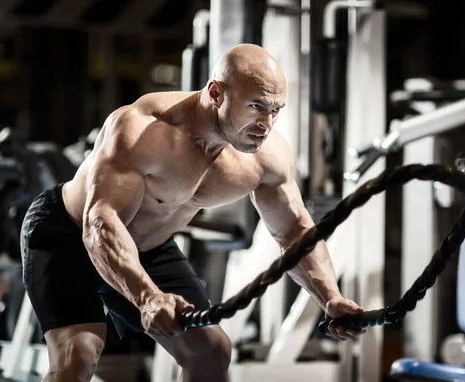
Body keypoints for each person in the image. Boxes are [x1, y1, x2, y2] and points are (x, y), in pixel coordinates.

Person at [20, 43, 366, 382]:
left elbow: (294, 231)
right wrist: (148, 297)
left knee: (212, 352)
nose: (267, 123)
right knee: (78, 357)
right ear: (216, 92)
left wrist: (330, 297)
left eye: (276, 110)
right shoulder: (145, 128)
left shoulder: (265, 157)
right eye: (257, 106)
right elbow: (101, 221)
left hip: (148, 247)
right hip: (69, 232)